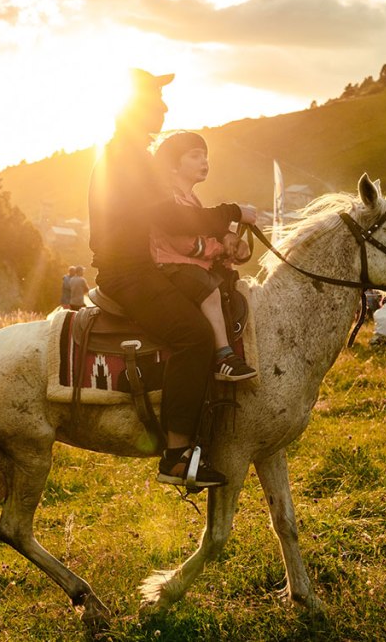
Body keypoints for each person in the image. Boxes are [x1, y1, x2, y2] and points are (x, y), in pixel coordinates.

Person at [88, 68, 257, 488]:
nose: (163, 107)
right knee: (194, 335)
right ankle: (178, 456)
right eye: (154, 100)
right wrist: (230, 214)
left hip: (138, 267)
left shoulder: (128, 154)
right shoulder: (127, 158)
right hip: (127, 273)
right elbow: (171, 217)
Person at [150, 131, 256, 381]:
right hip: (171, 264)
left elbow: (202, 229)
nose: (204, 161)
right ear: (174, 166)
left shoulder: (190, 198)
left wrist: (229, 244)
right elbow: (183, 243)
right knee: (210, 291)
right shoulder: (171, 198)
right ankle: (223, 355)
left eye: (206, 156)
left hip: (186, 263)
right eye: (195, 156)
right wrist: (219, 250)